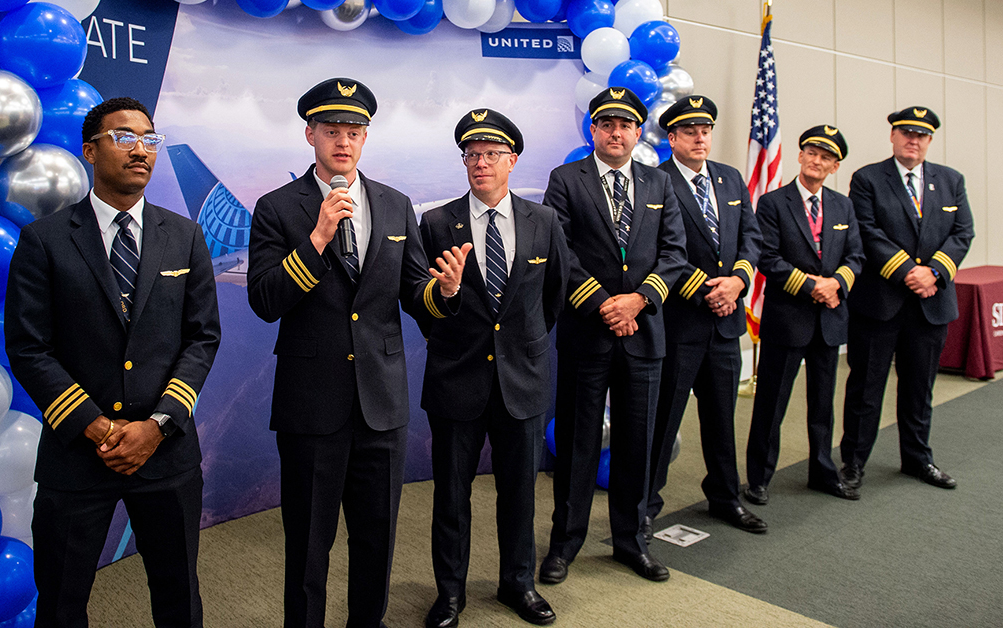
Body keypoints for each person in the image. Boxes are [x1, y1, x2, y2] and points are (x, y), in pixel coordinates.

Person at [246, 78, 470, 628]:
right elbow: (265, 301)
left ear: (365, 137)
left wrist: (443, 294)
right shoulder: (277, 207)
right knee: (307, 548)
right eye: (331, 131)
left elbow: (415, 294)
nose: (342, 142)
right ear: (310, 135)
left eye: (353, 131)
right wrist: (318, 240)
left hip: (381, 404)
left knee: (376, 543)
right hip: (311, 404)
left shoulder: (395, 206)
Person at [5, 96, 221, 628]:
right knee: (61, 600)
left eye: (150, 139)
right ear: (89, 150)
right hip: (77, 457)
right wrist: (97, 427)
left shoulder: (185, 236)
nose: (141, 150)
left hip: (166, 456)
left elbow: (202, 338)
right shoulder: (45, 240)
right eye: (124, 138)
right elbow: (29, 348)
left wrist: (157, 425)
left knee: (178, 597)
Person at [418, 109, 567, 628]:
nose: (480, 163)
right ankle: (450, 595)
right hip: (456, 380)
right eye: (472, 154)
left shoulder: (543, 222)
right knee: (452, 497)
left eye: (491, 154)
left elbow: (553, 300)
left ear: (513, 161)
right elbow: (425, 306)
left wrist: (519, 347)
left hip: (522, 382)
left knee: (519, 494)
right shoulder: (436, 222)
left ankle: (517, 584)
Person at [539, 87, 687, 585]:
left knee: (636, 443)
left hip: (644, 334)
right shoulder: (566, 179)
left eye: (625, 124)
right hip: (588, 332)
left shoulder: (659, 183)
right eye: (606, 124)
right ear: (593, 130)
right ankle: (565, 544)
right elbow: (558, 250)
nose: (616, 132)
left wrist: (638, 299)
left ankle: (631, 541)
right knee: (580, 443)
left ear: (638, 131)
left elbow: (674, 253)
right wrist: (605, 303)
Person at [840, 106, 974, 491]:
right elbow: (866, 231)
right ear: (893, 136)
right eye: (906, 133)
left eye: (921, 135)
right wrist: (908, 272)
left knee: (920, 388)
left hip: (931, 302)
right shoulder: (867, 179)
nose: (913, 140)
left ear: (929, 140)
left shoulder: (950, 180)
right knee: (866, 388)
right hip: (880, 303)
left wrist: (933, 272)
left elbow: (963, 232)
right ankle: (854, 463)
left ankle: (918, 459)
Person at [649, 96, 766, 535]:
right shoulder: (655, 183)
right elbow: (658, 253)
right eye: (690, 131)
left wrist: (737, 281)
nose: (701, 138)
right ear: (672, 138)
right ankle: (646, 504)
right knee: (664, 421)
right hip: (682, 323)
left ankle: (724, 497)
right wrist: (707, 291)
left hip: (726, 320)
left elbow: (750, 239)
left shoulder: (731, 179)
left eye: (706, 130)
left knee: (721, 418)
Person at [743, 125, 864, 505]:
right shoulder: (774, 202)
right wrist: (812, 286)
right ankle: (759, 477)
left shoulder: (843, 205)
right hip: (788, 318)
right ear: (799, 156)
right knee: (772, 403)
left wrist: (836, 284)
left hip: (829, 320)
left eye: (826, 157)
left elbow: (856, 256)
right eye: (812, 152)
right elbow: (767, 257)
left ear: (835, 165)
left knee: (822, 404)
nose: (817, 160)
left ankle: (823, 471)